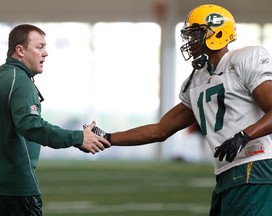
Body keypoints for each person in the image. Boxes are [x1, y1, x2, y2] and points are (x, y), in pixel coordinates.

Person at [91, 4, 272, 215]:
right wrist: (107, 137)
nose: (190, 40)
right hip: (226, 173)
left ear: (217, 33)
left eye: (196, 33)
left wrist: (244, 136)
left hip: (256, 164)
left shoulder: (244, 59)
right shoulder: (196, 80)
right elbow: (160, 130)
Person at [0, 24, 110, 216]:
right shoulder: (21, 82)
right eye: (40, 47)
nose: (46, 53)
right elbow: (32, 126)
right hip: (15, 190)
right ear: (20, 50)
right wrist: (78, 138)